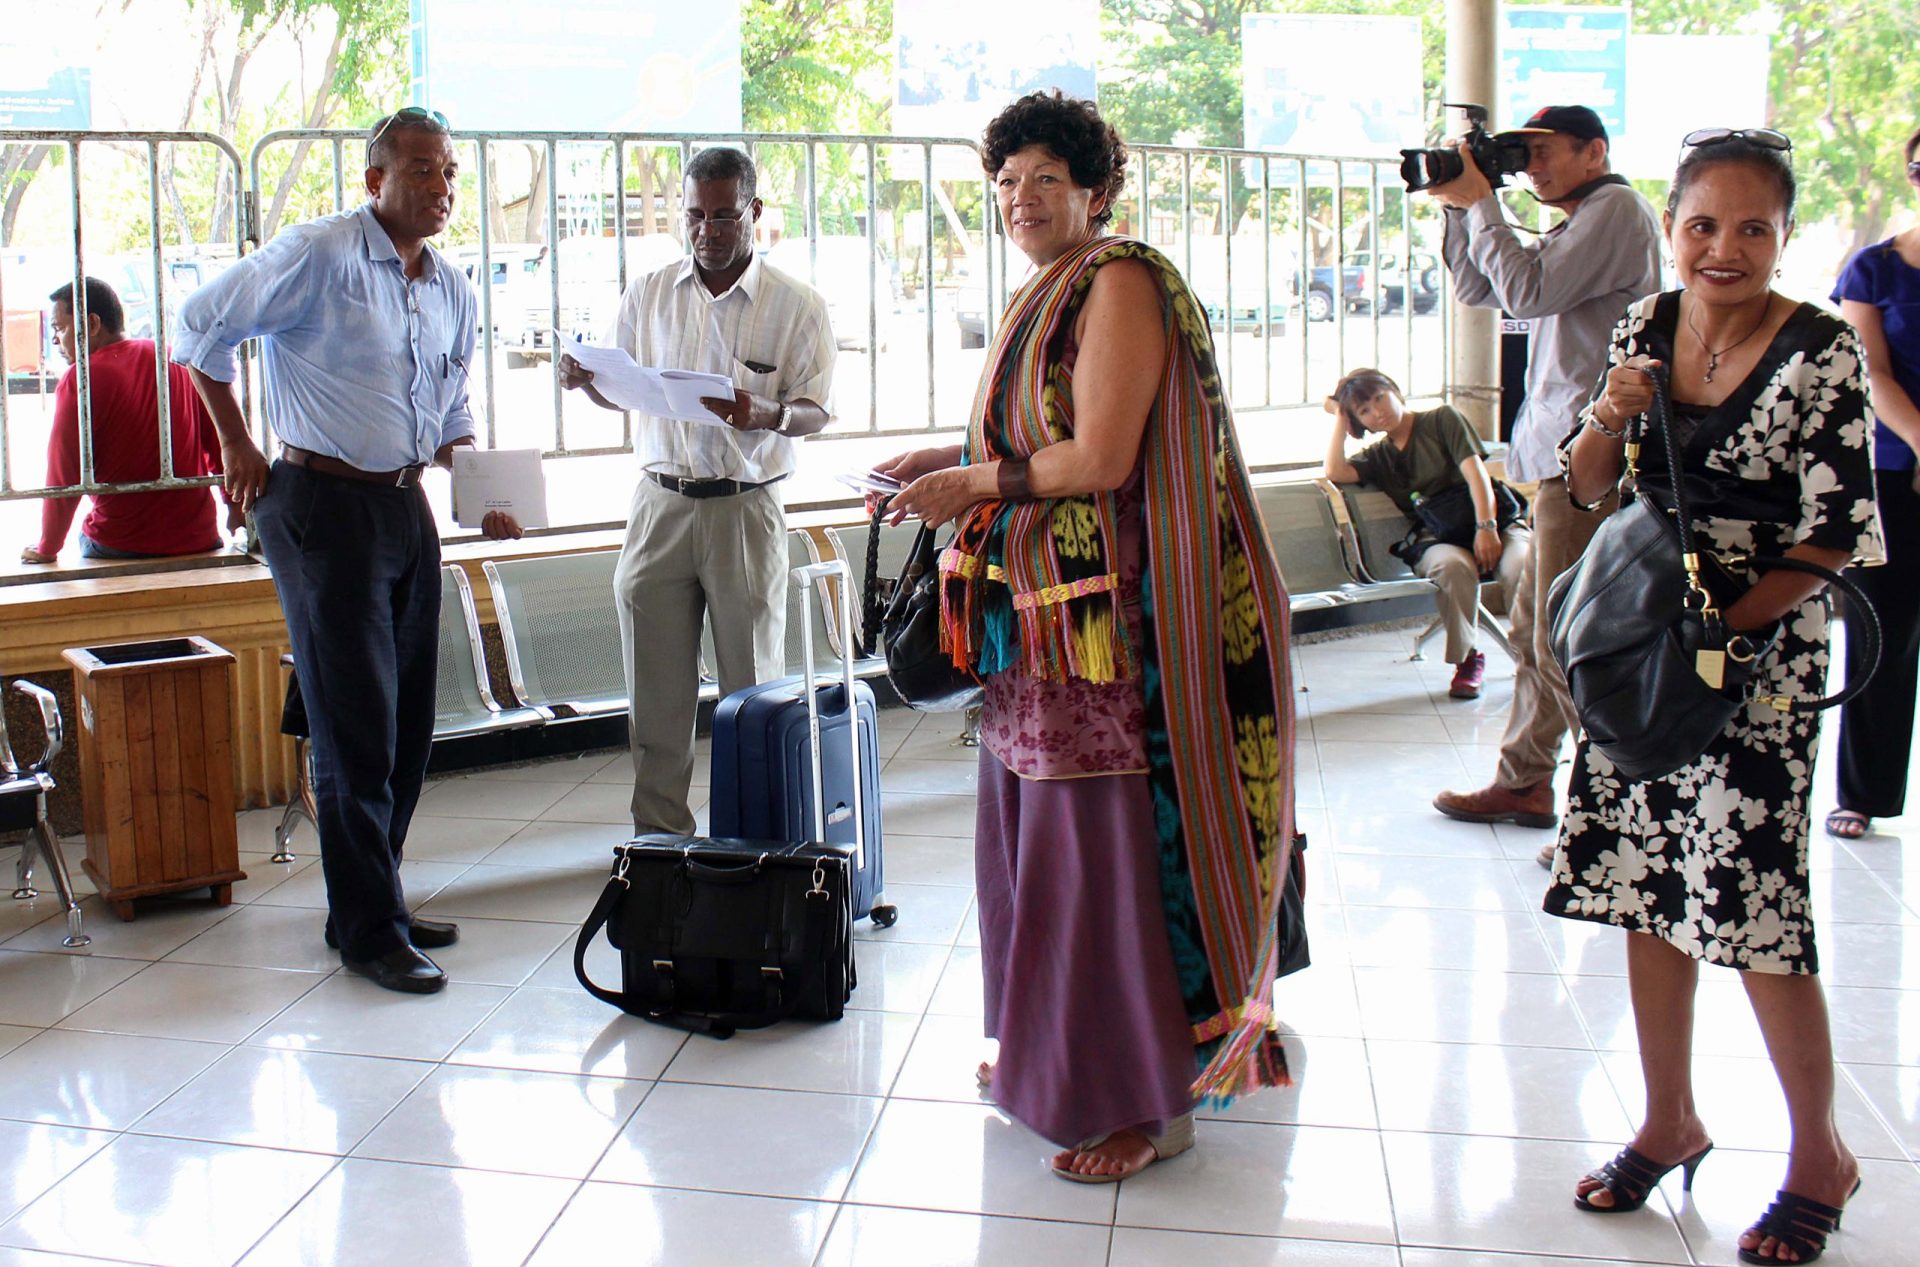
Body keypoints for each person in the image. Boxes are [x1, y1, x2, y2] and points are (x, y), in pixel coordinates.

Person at [878, 91, 1302, 1183]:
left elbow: (1103, 456)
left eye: (1045, 180)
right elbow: (1038, 438)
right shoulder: (1048, 289)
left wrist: (969, 480)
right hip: (1042, 623)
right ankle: (1047, 1059)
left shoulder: (1119, 279)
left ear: (1097, 191)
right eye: (1007, 181)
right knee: (1032, 854)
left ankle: (1143, 1103)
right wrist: (940, 463)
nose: (1021, 198)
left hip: (1117, 633)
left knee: (1100, 864)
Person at [1548, 132, 1879, 1265]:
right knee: (1646, 889)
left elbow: (1837, 537)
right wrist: (1612, 412)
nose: (1723, 248)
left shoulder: (1823, 350)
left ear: (1786, 236)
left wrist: (1721, 635)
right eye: (1702, 225)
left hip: (1753, 660)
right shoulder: (1645, 326)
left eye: (1752, 228)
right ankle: (1667, 1118)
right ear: (1674, 226)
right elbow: (1588, 487)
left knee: (1753, 908)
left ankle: (1818, 1156)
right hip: (1643, 647)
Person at [173, 108, 521, 995]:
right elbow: (198, 327)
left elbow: (448, 411)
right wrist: (234, 445)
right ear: (375, 181)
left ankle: (370, 898)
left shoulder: (451, 285)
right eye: (418, 171)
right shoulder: (319, 254)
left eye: (447, 172)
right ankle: (369, 930)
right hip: (319, 504)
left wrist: (485, 491)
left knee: (405, 722)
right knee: (354, 721)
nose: (440, 188)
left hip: (404, 507)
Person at [558, 146, 835, 837]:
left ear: (755, 213)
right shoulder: (649, 292)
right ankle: (661, 845)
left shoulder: (795, 305)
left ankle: (758, 841)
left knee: (753, 691)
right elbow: (623, 389)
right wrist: (587, 380)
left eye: (722, 216)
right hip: (659, 506)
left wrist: (764, 413)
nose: (707, 230)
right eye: (694, 216)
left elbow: (816, 410)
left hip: (746, 508)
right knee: (655, 698)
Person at [1424, 105, 1663, 850]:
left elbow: (1526, 294)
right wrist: (1461, 209)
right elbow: (1477, 288)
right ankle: (1526, 779)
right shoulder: (1575, 220)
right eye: (1519, 155)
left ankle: (1601, 810)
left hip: (1589, 460)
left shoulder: (1615, 208)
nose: (1530, 168)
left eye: (1543, 152)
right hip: (1553, 463)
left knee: (1569, 634)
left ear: (1595, 151)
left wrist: (1485, 204)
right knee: (1535, 629)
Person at [1322, 367, 1529, 700]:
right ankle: (1467, 659)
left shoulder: (1441, 419)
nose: (1378, 411)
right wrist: (1337, 416)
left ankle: (1533, 657)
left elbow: (1476, 475)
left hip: (1493, 522)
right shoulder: (1380, 456)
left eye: (1380, 398)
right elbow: (1334, 470)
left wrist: (1486, 527)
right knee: (1453, 567)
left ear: (1396, 392)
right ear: (1359, 422)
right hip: (1439, 537)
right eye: (1364, 411)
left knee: (1522, 564)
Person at [1825, 124, 1920, 841]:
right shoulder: (1874, 268)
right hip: (1894, 469)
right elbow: (1870, 371)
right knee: (1882, 632)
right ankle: (1863, 793)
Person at [22, 277, 230, 564]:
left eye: (60, 328)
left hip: (121, 542)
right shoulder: (172, 358)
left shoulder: (82, 378)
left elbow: (63, 474)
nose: (56, 339)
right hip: (200, 538)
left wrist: (47, 547)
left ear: (92, 324)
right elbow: (219, 442)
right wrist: (236, 509)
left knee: (86, 536)